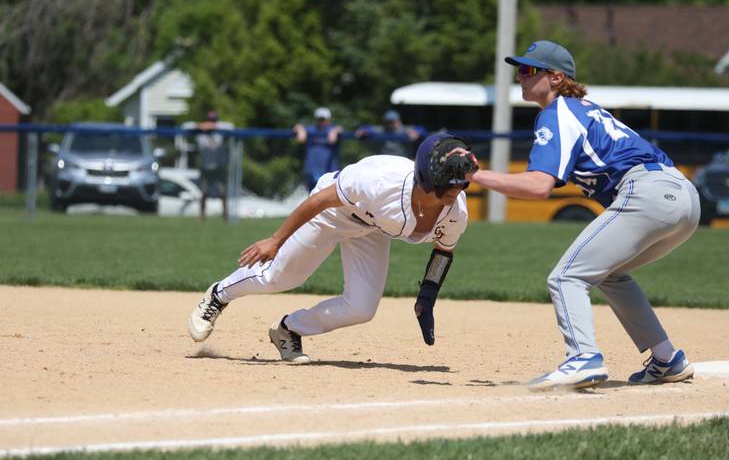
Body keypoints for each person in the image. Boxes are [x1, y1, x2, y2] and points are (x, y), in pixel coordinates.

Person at [468, 40, 701, 390]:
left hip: (648, 193)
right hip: (683, 198)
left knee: (566, 277)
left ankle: (583, 358)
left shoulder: (557, 112)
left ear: (557, 78)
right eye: (520, 69)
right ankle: (667, 358)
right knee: (609, 274)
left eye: (530, 70)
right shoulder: (584, 109)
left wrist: (474, 175)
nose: (521, 76)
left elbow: (538, 186)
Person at [187, 133, 478, 363]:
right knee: (281, 277)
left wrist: (427, 297)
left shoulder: (456, 212)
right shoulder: (378, 182)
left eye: (460, 185)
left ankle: (289, 329)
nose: (456, 193)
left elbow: (444, 249)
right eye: (450, 185)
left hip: (373, 227)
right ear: (429, 178)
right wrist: (276, 240)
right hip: (334, 213)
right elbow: (319, 201)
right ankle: (218, 295)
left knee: (362, 308)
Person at [294, 107, 342, 192]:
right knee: (313, 196)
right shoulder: (311, 129)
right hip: (312, 170)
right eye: (319, 119)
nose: (321, 122)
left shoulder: (333, 129)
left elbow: (332, 139)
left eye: (323, 119)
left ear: (328, 120)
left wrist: (334, 131)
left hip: (329, 172)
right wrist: (299, 128)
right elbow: (301, 138)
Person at [194, 110, 231, 221]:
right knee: (204, 193)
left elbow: (230, 127)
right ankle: (202, 215)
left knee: (222, 193)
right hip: (206, 167)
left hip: (218, 168)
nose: (211, 122)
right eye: (210, 120)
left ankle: (225, 214)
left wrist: (213, 126)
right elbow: (187, 126)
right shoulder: (200, 134)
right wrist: (201, 126)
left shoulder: (219, 132)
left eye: (213, 120)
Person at [355, 109, 421, 158]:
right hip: (384, 161)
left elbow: (421, 129)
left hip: (402, 161)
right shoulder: (383, 130)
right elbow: (368, 128)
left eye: (392, 121)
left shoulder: (405, 130)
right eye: (388, 122)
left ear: (398, 121)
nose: (390, 124)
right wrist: (362, 130)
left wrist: (416, 132)